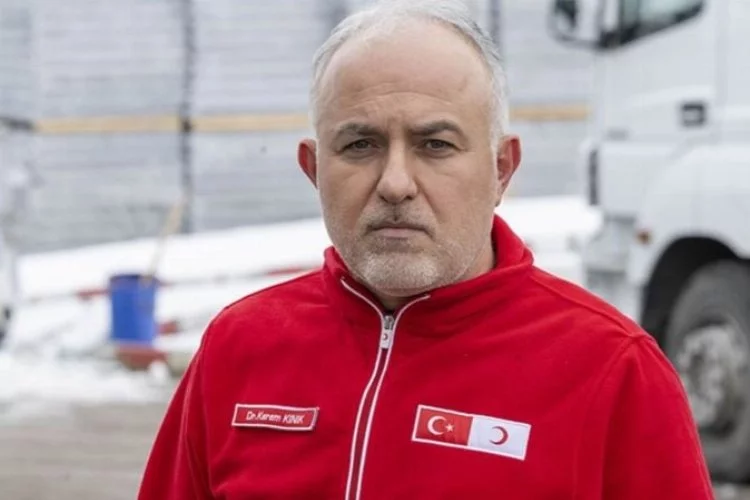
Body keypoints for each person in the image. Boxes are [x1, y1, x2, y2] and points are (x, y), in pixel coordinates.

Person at [138, 0, 713, 498]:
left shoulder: (613, 372)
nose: (395, 183)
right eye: (359, 145)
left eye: (435, 145)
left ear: (501, 169)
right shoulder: (240, 347)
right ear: (314, 169)